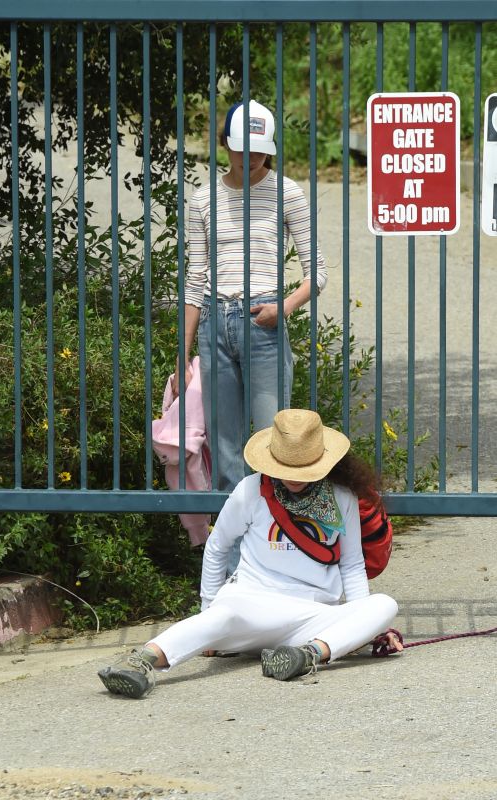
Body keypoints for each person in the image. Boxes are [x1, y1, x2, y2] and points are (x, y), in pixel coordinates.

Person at [98, 408, 402, 699]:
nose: (295, 475)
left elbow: (351, 565)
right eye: (288, 466)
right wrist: (208, 607)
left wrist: (365, 629)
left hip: (310, 617)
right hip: (249, 604)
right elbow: (218, 547)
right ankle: (141, 662)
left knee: (384, 605)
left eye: (303, 466)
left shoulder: (343, 496)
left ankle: (305, 657)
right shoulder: (250, 490)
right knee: (218, 617)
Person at [172, 100, 328, 496]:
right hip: (213, 323)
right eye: (242, 148)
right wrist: (182, 352)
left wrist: (283, 309)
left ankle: (273, 546)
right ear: (225, 144)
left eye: (260, 149)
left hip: (263, 320)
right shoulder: (203, 199)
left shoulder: (287, 193)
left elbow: (318, 274)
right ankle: (232, 555)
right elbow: (193, 281)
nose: (251, 157)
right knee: (223, 448)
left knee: (272, 444)